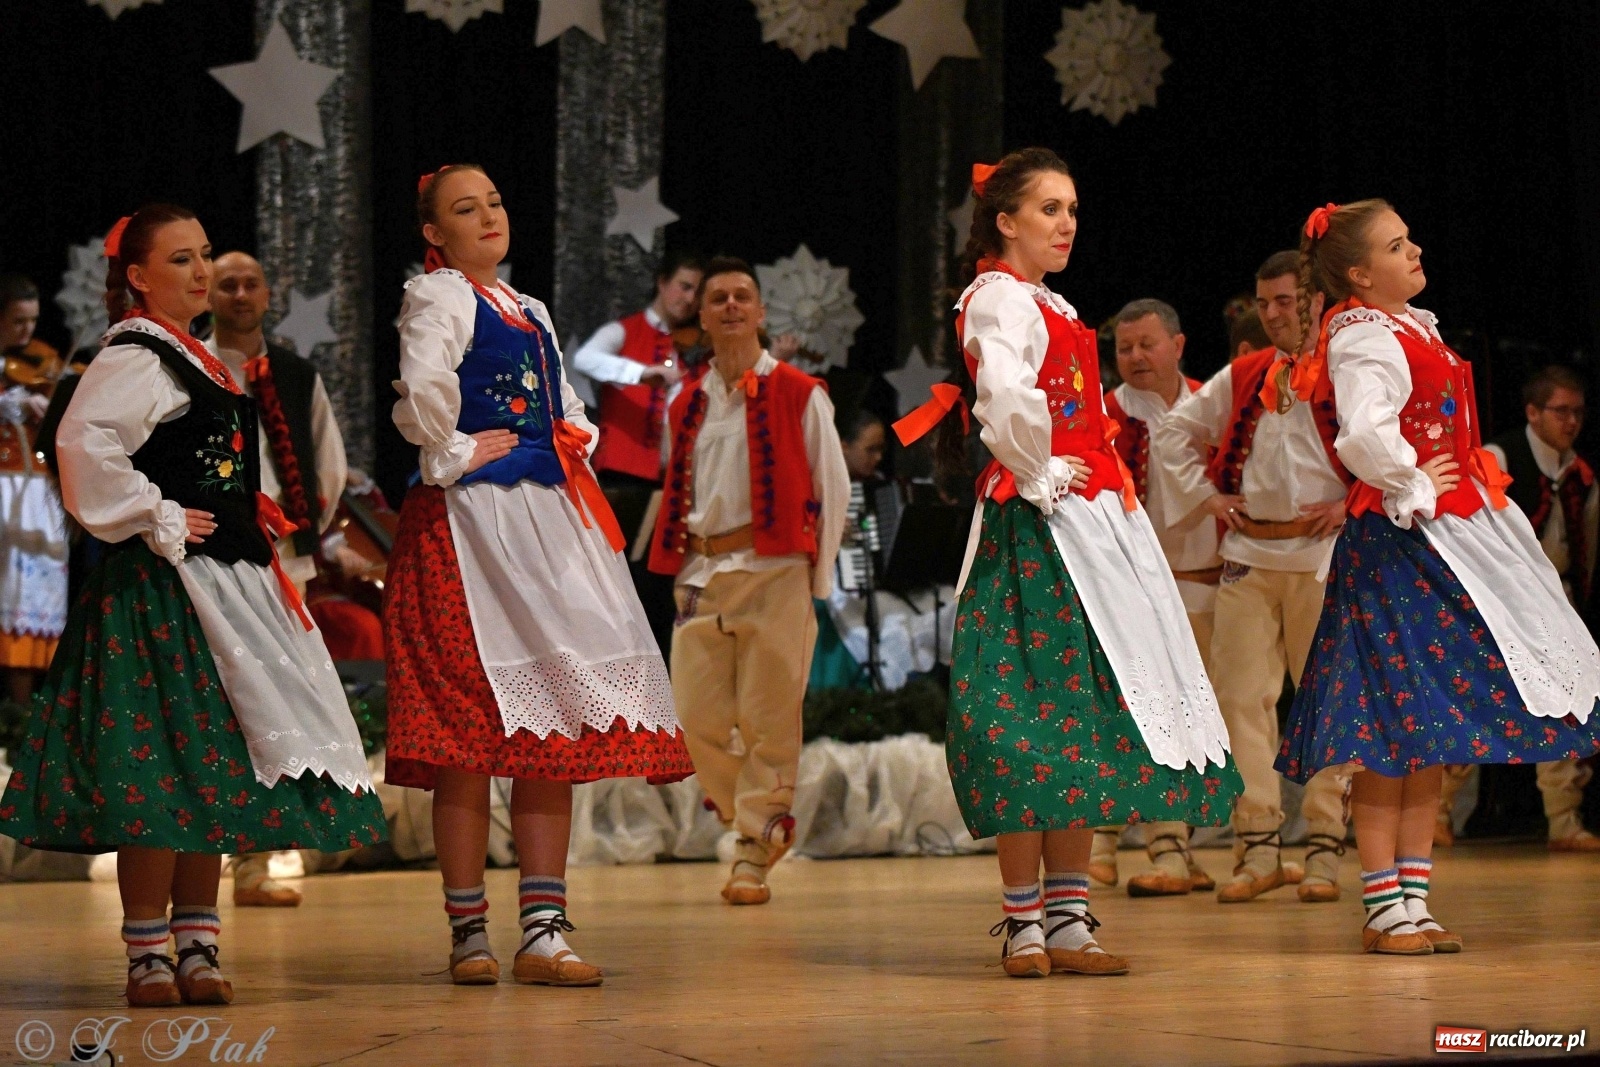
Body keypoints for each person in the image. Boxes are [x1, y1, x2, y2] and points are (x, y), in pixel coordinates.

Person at [0, 204, 384, 1006]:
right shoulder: (137, 353)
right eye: (182, 259)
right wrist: (159, 513)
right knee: (158, 770)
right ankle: (148, 949)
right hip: (163, 590)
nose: (201, 271)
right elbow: (81, 442)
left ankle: (199, 940)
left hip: (222, 583)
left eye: (204, 254)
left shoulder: (197, 356)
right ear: (139, 277)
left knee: (210, 762)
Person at [897, 150, 1240, 977]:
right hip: (1038, 523)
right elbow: (1004, 390)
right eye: (1049, 208)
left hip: (1090, 523)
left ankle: (1070, 917)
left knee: (1082, 712)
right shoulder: (998, 296)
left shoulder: (1051, 300)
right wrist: (1036, 465)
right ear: (1005, 221)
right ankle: (1023, 921)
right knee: (1027, 718)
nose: (1066, 223)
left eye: (1073, 209)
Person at [386, 165, 693, 987]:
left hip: (546, 519)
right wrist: (453, 449)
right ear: (434, 234)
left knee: (551, 724)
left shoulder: (529, 309)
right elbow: (422, 389)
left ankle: (544, 927)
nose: (488, 215)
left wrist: (571, 434)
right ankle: (468, 929)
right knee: (469, 735)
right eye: (465, 208)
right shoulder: (440, 297)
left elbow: (563, 400)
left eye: (494, 200)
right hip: (473, 526)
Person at [1277, 199, 1600, 954]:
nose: (1415, 249)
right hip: (1399, 545)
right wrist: (1411, 480)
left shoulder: (1407, 326)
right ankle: (1384, 902)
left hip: (1437, 536)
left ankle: (1412, 898)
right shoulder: (1361, 332)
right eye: (1397, 244)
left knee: (1423, 733)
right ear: (1360, 273)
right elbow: (1363, 431)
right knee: (1394, 732)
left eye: (1410, 236)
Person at [647, 257, 850, 906]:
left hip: (775, 574)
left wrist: (815, 583)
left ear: (761, 312)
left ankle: (753, 850)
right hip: (702, 573)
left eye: (743, 297)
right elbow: (673, 486)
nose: (732, 306)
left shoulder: (800, 392)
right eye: (719, 298)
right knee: (692, 720)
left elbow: (833, 487)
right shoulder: (687, 402)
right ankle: (764, 819)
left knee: (769, 721)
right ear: (701, 316)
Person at [1155, 250, 1353, 904]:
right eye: (1264, 303)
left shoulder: (1347, 369)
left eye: (1285, 302)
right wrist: (1210, 498)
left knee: (1325, 702)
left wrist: (1352, 500)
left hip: (1321, 557)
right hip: (1249, 554)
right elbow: (1174, 434)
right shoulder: (1245, 374)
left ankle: (1325, 847)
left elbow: (1393, 443)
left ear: (1316, 301)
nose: (1272, 314)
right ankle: (1257, 845)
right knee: (1241, 699)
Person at [206, 250, 351, 908]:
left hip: (278, 561)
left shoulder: (293, 373)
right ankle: (214, 854)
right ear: (207, 292)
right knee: (221, 704)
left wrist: (296, 530)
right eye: (226, 283)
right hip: (209, 560)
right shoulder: (189, 366)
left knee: (273, 706)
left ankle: (259, 857)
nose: (239, 293)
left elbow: (328, 461)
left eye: (250, 283)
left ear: (268, 294)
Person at [1435, 365, 1600, 852]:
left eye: (1578, 412)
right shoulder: (1496, 458)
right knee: (1475, 702)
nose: (1571, 422)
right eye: (1560, 411)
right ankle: (1437, 813)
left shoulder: (1583, 475)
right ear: (1533, 412)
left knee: (1566, 706)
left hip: (1554, 603)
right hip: (1496, 604)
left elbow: (1585, 546)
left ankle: (1564, 820)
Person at [1088, 298, 1222, 897]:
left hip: (1204, 580)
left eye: (1147, 344)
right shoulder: (1103, 412)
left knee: (1192, 714)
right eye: (1123, 347)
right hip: (1128, 587)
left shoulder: (1210, 405)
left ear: (1178, 344)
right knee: (1131, 711)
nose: (1136, 357)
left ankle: (1165, 844)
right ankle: (1125, 844)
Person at [570, 253, 703, 655]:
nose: (690, 298)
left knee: (657, 591)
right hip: (621, 481)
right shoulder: (624, 331)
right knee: (616, 589)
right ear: (662, 284)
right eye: (684, 286)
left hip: (666, 487)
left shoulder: (688, 351)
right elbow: (584, 359)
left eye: (697, 291)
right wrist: (641, 373)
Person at [0, 274, 69, 707]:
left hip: (39, 491)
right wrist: (16, 402)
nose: (28, 332)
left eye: (33, 321)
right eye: (18, 321)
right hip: (5, 489)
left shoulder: (39, 364)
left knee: (36, 593)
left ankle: (27, 710)